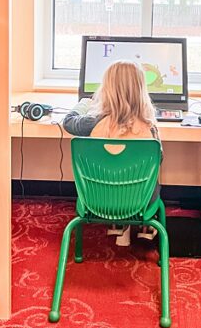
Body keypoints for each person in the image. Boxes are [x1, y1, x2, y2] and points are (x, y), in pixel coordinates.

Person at [60, 59, 163, 246]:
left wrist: (85, 102)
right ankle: (142, 226)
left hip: (97, 200)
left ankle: (118, 224)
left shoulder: (92, 122)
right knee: (151, 180)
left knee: (110, 173)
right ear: (141, 91)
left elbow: (68, 122)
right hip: (139, 202)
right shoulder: (150, 126)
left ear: (105, 90)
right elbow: (158, 161)